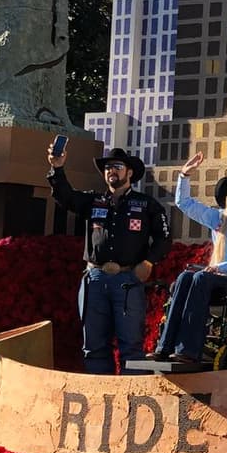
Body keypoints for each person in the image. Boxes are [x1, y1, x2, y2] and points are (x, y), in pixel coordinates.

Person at [47, 146, 171, 374]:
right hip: (95, 279)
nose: (111, 171)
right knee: (93, 346)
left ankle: (132, 402)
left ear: (130, 172)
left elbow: (164, 238)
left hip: (128, 279)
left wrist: (149, 262)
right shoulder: (93, 201)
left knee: (131, 347)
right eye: (107, 167)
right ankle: (98, 402)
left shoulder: (146, 205)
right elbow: (65, 197)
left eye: (117, 167)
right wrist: (57, 168)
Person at [149, 152, 227, 363]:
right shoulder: (218, 217)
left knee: (201, 278)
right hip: (216, 275)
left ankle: (188, 350)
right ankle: (164, 346)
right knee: (186, 277)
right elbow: (185, 203)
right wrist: (184, 176)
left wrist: (222, 266)